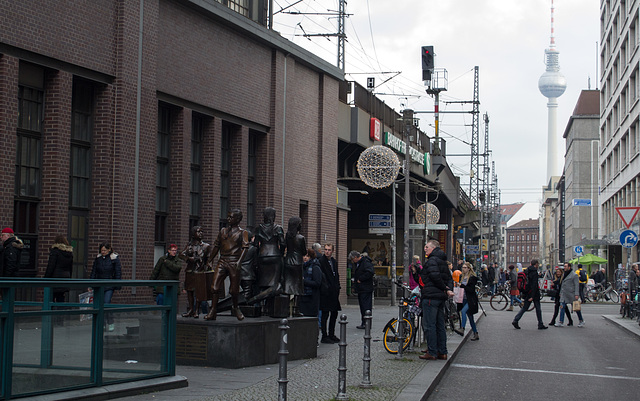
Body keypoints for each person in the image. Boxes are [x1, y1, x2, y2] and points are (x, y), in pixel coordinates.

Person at [205, 209, 250, 321]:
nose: (228, 219)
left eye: (232, 217)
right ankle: (213, 311)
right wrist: (210, 259)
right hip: (222, 260)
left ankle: (236, 307)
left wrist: (239, 262)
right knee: (214, 287)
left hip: (234, 261)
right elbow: (216, 246)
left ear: (238, 219)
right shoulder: (223, 231)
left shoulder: (242, 232)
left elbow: (245, 248)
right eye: (228, 216)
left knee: (234, 290)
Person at [414, 239, 454, 360]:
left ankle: (432, 351)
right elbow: (449, 278)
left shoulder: (432, 260)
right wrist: (447, 289)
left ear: (433, 248)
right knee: (439, 325)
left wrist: (444, 288)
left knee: (429, 325)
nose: (425, 249)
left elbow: (434, 276)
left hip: (431, 296)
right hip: (440, 297)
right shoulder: (442, 261)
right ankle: (442, 351)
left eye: (427, 247)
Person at [179, 226, 213, 318]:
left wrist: (208, 266)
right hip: (190, 271)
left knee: (199, 291)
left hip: (200, 271)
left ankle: (197, 310)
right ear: (193, 234)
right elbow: (181, 254)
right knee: (190, 291)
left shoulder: (206, 246)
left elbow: (209, 259)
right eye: (198, 232)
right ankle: (191, 309)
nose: (201, 233)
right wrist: (189, 258)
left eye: (202, 231)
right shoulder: (189, 245)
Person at [90, 242, 122, 332]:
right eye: (102, 250)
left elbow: (117, 272)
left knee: (107, 303)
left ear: (109, 250)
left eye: (104, 250)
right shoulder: (98, 259)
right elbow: (94, 271)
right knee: (100, 304)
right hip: (99, 284)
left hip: (109, 284)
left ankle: (110, 322)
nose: (103, 252)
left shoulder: (114, 259)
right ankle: (102, 323)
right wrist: (91, 284)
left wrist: (117, 284)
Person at [512, 259, 548, 330]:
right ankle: (540, 324)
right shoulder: (534, 272)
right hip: (534, 293)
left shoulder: (527, 270)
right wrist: (533, 296)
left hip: (527, 292)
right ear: (536, 264)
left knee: (525, 307)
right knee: (538, 308)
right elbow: (534, 284)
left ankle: (516, 320)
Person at [319, 243, 341, 344]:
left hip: (334, 291)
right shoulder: (321, 261)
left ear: (332, 251)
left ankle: (331, 334)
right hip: (326, 292)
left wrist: (337, 286)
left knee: (334, 313)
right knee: (325, 314)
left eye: (329, 250)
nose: (327, 251)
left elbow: (336, 275)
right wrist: (326, 287)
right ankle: (325, 335)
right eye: (326, 250)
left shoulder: (333, 261)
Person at [44, 235, 74, 303]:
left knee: (50, 299)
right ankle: (61, 312)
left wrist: (45, 278)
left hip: (55, 279)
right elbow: (70, 268)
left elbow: (50, 266)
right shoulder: (69, 253)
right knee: (61, 298)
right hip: (65, 279)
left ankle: (51, 313)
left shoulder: (55, 252)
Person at [349, 250, 374, 329]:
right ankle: (364, 322)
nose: (352, 261)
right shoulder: (361, 263)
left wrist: (361, 279)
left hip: (365, 288)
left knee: (365, 306)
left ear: (356, 257)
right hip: (362, 288)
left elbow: (370, 272)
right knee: (363, 306)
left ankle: (366, 323)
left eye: (353, 259)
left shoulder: (365, 263)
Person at [454, 262, 479, 341]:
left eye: (465, 267)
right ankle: (475, 333)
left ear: (469, 268)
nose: (463, 269)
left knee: (464, 311)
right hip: (463, 299)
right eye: (463, 267)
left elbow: (471, 290)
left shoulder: (472, 278)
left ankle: (462, 328)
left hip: (470, 299)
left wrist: (462, 286)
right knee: (470, 317)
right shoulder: (461, 276)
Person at [283, 216, 306, 300]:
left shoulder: (287, 236)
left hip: (288, 261)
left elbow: (284, 246)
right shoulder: (301, 238)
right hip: (297, 262)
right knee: (298, 286)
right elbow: (304, 251)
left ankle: (286, 306)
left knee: (287, 285)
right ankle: (296, 308)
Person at [557, 262, 585, 327]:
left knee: (576, 308)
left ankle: (581, 321)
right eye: (564, 266)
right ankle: (561, 321)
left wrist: (576, 294)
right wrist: (561, 293)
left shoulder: (574, 275)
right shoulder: (564, 274)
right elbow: (562, 285)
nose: (564, 268)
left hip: (571, 294)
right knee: (562, 307)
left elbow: (576, 285)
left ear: (569, 267)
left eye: (565, 266)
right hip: (564, 294)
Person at [299, 248, 323, 318]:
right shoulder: (302, 267)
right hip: (303, 296)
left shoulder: (315, 267)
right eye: (304, 256)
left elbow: (317, 283)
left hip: (312, 297)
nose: (305, 258)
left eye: (307, 256)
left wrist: (304, 281)